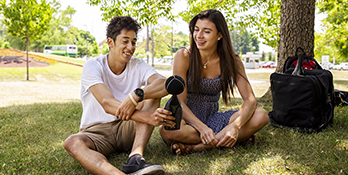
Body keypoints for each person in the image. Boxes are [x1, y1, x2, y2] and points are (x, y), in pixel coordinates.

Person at [63, 16, 175, 175]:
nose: (131, 47)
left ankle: (135, 158)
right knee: (72, 143)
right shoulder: (93, 66)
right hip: (96, 132)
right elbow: (107, 103)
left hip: (128, 128)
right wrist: (149, 118)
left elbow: (164, 83)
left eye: (134, 42)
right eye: (125, 41)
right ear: (110, 42)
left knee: (152, 93)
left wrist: (137, 95)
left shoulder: (137, 64)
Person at [159, 9, 269, 155]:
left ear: (219, 35)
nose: (199, 35)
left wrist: (235, 127)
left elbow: (250, 100)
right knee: (168, 131)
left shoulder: (232, 60)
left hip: (212, 117)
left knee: (261, 116)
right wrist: (202, 128)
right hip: (185, 117)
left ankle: (197, 147)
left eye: (207, 31)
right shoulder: (184, 55)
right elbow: (179, 102)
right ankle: (229, 138)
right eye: (196, 30)